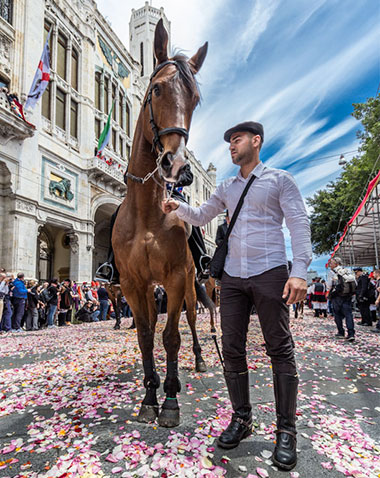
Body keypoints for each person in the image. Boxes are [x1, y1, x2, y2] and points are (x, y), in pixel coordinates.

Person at [161, 121, 312, 470]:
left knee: (279, 347)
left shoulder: (280, 180)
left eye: (237, 139)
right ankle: (242, 418)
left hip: (270, 270)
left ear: (256, 141)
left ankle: (286, 431)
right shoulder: (227, 187)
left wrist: (300, 270)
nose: (231, 145)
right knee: (231, 348)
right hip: (232, 277)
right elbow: (201, 216)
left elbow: (299, 224)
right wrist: (176, 207)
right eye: (229, 141)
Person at [95, 163, 211, 284]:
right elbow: (127, 176)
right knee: (116, 216)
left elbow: (188, 176)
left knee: (189, 215)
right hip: (142, 195)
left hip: (170, 193)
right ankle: (112, 265)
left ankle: (201, 258)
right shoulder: (144, 150)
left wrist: (172, 180)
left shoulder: (177, 154)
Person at [327, 257, 356, 341]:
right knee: (348, 315)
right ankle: (351, 333)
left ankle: (341, 332)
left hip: (337, 296)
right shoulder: (347, 271)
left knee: (337, 315)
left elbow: (329, 285)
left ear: (336, 264)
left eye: (331, 263)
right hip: (347, 295)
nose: (330, 265)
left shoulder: (332, 272)